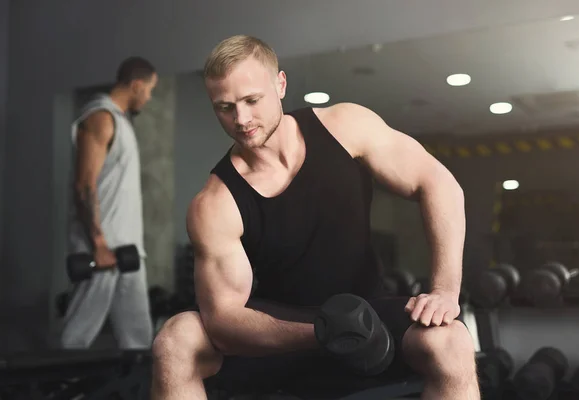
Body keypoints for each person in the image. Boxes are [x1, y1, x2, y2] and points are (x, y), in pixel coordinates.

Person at [151, 35, 479, 400]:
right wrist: (326, 331)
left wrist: (445, 291)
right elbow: (224, 319)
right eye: (225, 107)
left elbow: (438, 183)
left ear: (280, 84)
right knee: (177, 337)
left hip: (370, 316)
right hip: (279, 334)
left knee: (451, 340)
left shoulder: (345, 127)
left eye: (251, 100)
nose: (241, 119)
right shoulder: (215, 202)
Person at [61, 57, 158, 349]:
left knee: (139, 337)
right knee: (79, 332)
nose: (149, 97)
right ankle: (61, 388)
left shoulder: (120, 121)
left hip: (128, 250)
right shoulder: (100, 118)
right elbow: (84, 186)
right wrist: (99, 242)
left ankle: (140, 391)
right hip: (103, 249)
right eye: (149, 89)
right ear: (136, 85)